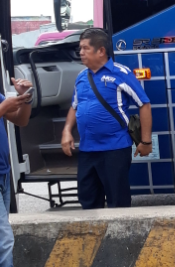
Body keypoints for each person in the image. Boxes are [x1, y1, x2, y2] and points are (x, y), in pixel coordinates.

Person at [61, 28, 153, 209]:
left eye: (85, 48)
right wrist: (66, 131)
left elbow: (144, 104)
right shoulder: (81, 77)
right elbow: (74, 107)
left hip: (115, 149)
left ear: (101, 51)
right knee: (88, 200)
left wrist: (146, 141)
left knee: (117, 202)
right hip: (88, 150)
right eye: (80, 48)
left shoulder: (121, 73)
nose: (81, 53)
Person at [0, 76, 33, 267]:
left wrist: (25, 98)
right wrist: (5, 106)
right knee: (4, 241)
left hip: (2, 174)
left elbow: (20, 119)